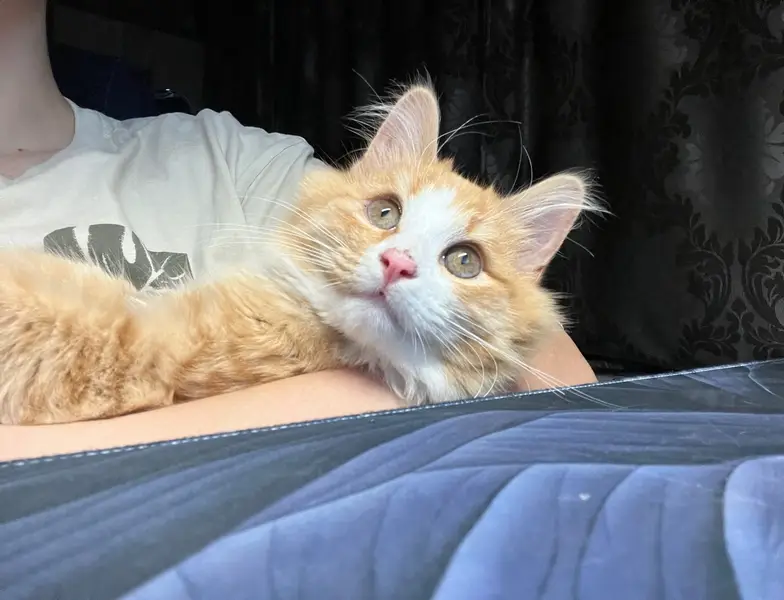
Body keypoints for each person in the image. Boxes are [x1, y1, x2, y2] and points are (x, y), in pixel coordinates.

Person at [0, 0, 597, 461]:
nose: (398, 260)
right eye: (386, 215)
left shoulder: (221, 153)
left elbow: (557, 377)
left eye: (464, 259)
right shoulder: (294, 287)